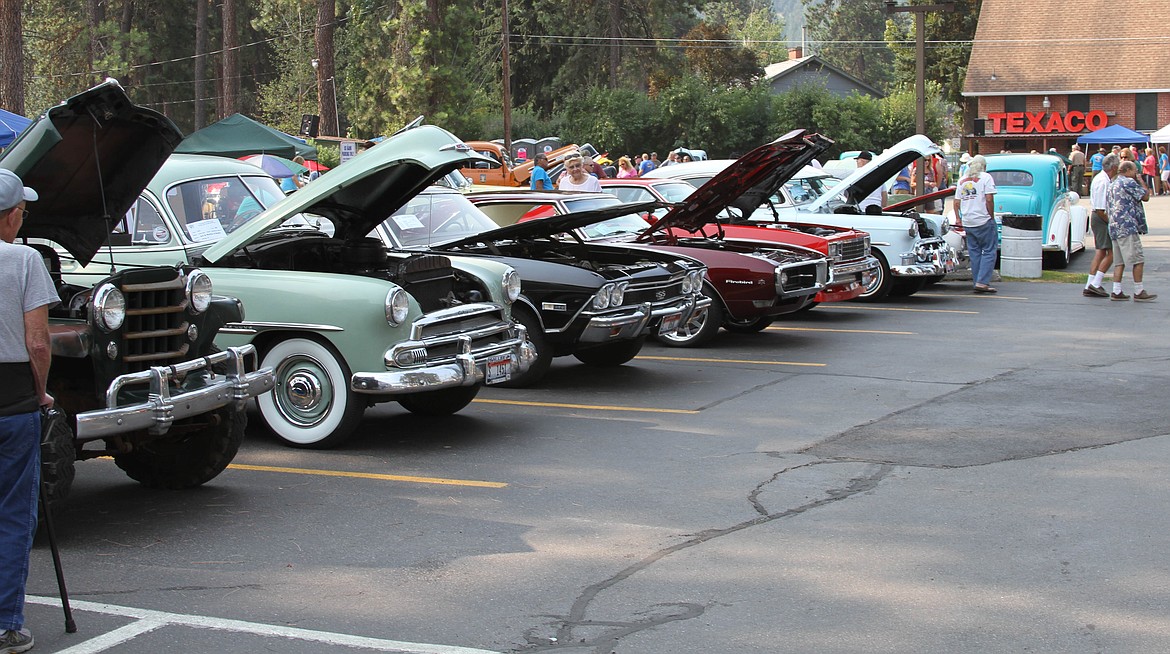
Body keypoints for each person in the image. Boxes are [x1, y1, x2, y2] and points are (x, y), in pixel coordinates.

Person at [0, 169, 58, 654]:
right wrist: (41, 393)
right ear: (10, 217)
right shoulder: (24, 260)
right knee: (13, 514)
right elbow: (38, 341)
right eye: (22, 210)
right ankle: (5, 625)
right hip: (11, 396)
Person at [1107, 160, 1155, 301]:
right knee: (1138, 259)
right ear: (1127, 170)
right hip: (1127, 226)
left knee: (1119, 261)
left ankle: (1116, 290)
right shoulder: (1129, 182)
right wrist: (1140, 180)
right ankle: (1139, 290)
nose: (1136, 173)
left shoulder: (1112, 184)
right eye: (1134, 171)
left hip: (1114, 226)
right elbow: (1145, 196)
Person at [953, 154, 998, 294]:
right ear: (984, 166)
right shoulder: (986, 177)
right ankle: (983, 282)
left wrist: (958, 218)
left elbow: (956, 202)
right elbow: (989, 199)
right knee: (989, 250)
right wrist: (991, 215)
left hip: (968, 221)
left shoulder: (961, 181)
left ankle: (976, 280)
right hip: (983, 219)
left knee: (974, 252)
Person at [1083, 153, 1119, 297]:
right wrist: (1111, 222)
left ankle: (1090, 283)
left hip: (1100, 216)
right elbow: (1100, 208)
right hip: (1101, 217)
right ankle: (1095, 283)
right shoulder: (1103, 182)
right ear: (1114, 167)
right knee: (1111, 252)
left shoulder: (1102, 179)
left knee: (1101, 251)